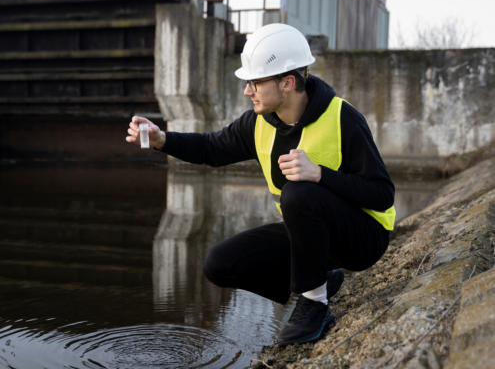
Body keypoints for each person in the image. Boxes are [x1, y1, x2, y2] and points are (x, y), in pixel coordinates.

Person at [126, 23, 395, 347]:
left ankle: (315, 304)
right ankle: (321, 280)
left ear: (287, 82)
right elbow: (211, 148)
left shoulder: (342, 117)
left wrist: (320, 174)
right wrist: (161, 139)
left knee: (298, 188)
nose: (247, 91)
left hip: (364, 238)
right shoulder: (257, 123)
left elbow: (382, 195)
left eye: (254, 82)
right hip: (313, 238)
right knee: (219, 264)